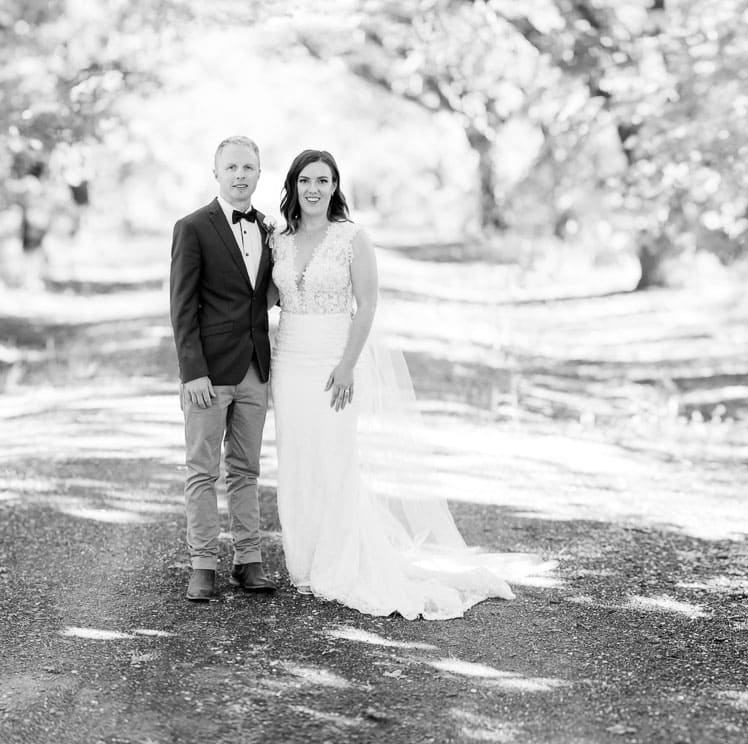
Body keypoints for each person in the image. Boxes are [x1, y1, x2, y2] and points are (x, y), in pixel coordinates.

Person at [268, 148, 549, 620]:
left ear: (335, 187)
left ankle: (339, 561)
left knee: (334, 459)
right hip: (289, 361)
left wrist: (347, 365)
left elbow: (368, 305)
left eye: (323, 180)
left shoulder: (352, 238)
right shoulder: (281, 238)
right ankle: (304, 562)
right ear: (292, 187)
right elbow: (271, 296)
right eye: (304, 181)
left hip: (333, 359)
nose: (313, 189)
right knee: (296, 458)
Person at [168, 136, 279, 603]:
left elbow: (269, 295)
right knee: (201, 470)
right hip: (208, 374)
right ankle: (202, 566)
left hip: (255, 368)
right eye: (231, 167)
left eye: (248, 167)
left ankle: (248, 562)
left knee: (246, 469)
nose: (240, 175)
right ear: (216, 173)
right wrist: (192, 371)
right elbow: (182, 304)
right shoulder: (193, 227)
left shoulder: (270, 230)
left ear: (258, 173)